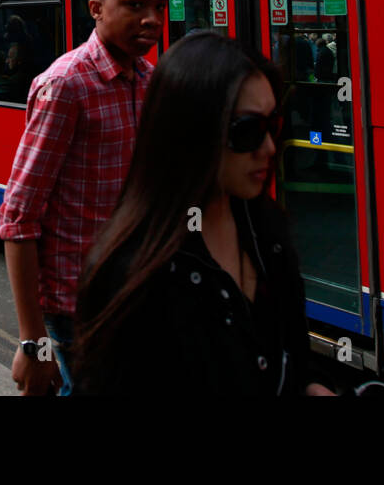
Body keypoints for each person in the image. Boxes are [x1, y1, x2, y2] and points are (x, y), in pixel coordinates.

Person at [74, 32, 334, 395]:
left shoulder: (265, 229)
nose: (270, 148)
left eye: (273, 125)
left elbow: (292, 354)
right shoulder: (133, 274)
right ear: (192, 133)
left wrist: (310, 386)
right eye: (248, 131)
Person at [0, 0, 166, 396]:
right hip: (77, 309)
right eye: (134, 5)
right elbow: (19, 217)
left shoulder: (149, 80)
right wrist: (34, 344)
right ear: (96, 9)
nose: (151, 20)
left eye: (159, 7)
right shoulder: (66, 84)